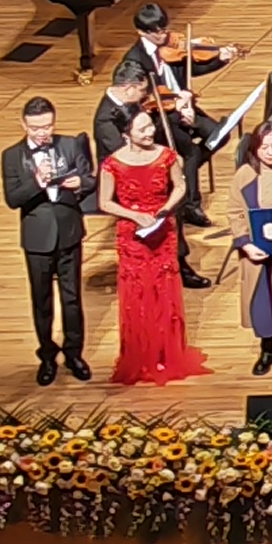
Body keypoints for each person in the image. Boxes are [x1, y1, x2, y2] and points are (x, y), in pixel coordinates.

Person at [101, 104, 206, 385]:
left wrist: (164, 210)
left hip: (162, 231)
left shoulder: (166, 156)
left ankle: (165, 354)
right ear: (127, 133)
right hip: (132, 235)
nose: (150, 132)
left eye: (151, 126)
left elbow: (180, 187)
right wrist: (135, 214)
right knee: (137, 295)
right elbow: (104, 201)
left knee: (164, 292)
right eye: (142, 128)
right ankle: (141, 356)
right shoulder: (112, 163)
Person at [0, 96, 95, 385]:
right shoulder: (12, 156)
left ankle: (74, 354)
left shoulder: (68, 144)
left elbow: (91, 178)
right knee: (42, 302)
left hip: (68, 232)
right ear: (23, 124)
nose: (43, 133)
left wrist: (82, 183)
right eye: (36, 128)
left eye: (48, 126)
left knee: (72, 299)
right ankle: (47, 357)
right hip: (37, 239)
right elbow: (12, 199)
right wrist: (37, 182)